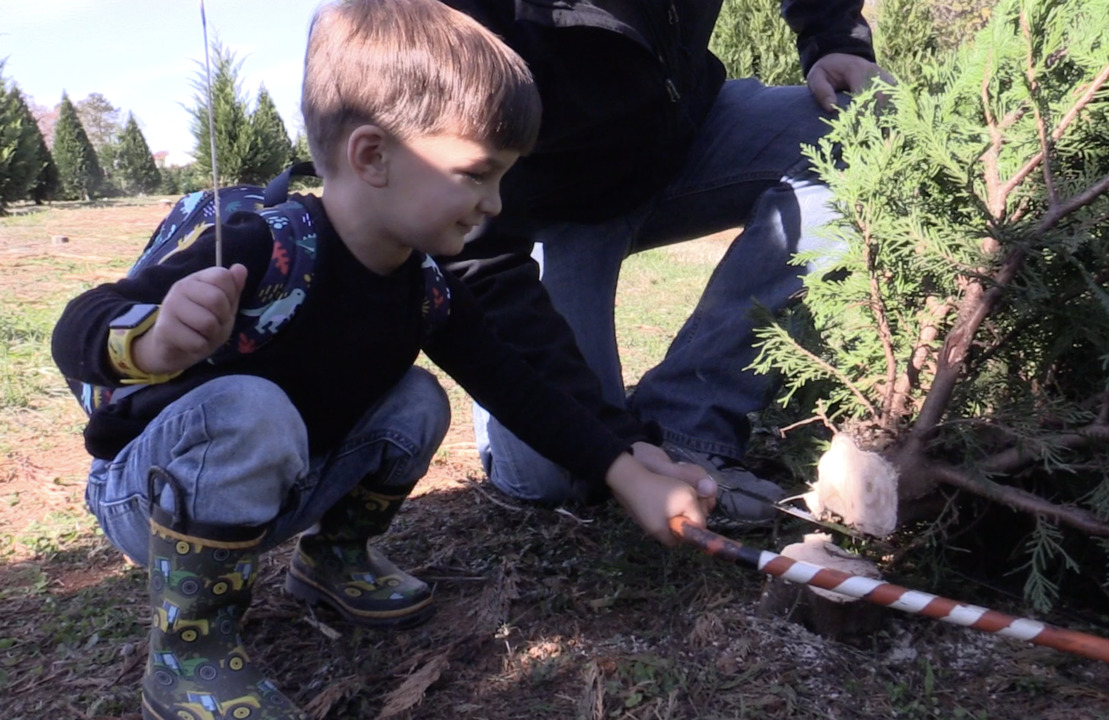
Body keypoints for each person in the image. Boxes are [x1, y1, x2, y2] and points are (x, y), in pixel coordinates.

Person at [51, 1, 714, 718]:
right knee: (250, 408)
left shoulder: (424, 284)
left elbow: (518, 387)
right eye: (476, 173)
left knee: (417, 399)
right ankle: (188, 648)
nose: (495, 203)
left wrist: (624, 470)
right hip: (150, 500)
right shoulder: (263, 249)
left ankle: (333, 560)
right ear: (372, 156)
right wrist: (152, 340)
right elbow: (76, 326)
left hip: (282, 483)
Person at [433, 0, 891, 522]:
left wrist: (834, 39)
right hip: (542, 208)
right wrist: (617, 447)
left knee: (858, 136)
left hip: (685, 138)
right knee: (562, 475)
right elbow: (476, 257)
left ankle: (687, 425)